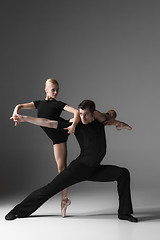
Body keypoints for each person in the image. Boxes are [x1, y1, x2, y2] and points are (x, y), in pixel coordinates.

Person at [11, 79, 131, 217]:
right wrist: (24, 118)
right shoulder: (75, 125)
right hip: (79, 168)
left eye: (85, 114)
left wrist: (115, 119)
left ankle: (124, 213)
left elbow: (111, 113)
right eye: (80, 114)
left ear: (93, 114)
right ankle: (17, 211)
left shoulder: (100, 122)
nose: (82, 117)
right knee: (50, 188)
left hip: (94, 169)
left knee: (123, 173)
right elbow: (48, 122)